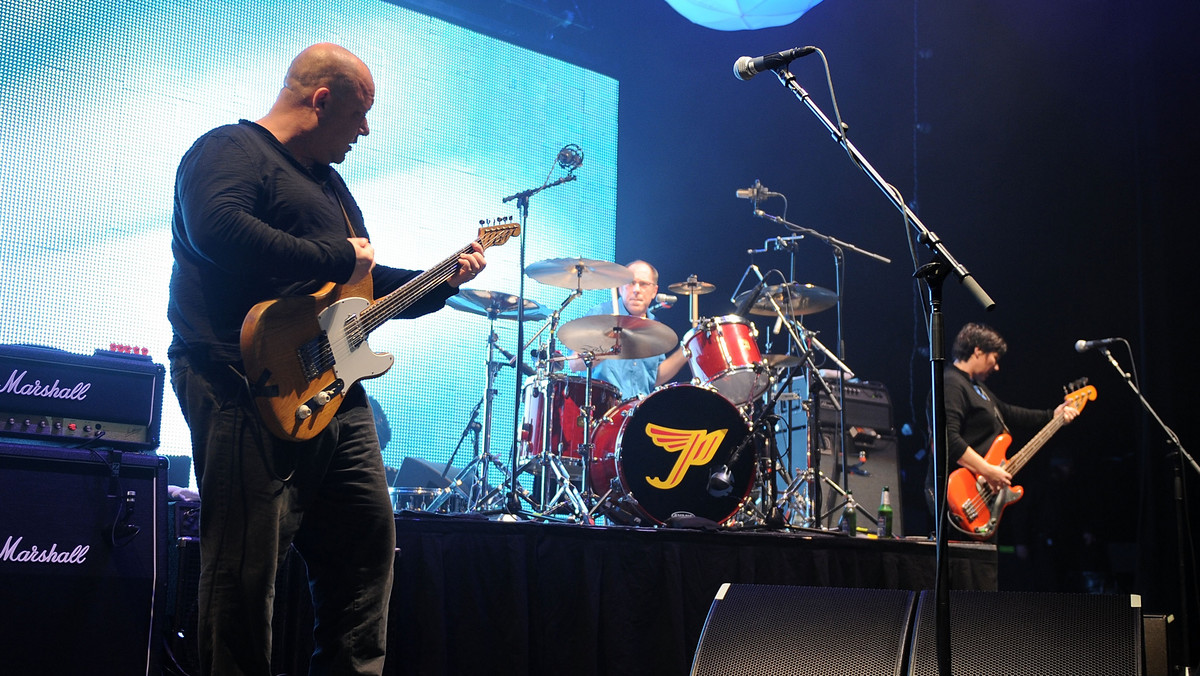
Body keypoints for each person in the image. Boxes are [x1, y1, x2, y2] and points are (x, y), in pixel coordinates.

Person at [167, 43, 486, 675]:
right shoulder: (229, 150)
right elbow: (217, 229)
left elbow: (357, 291)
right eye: (361, 114)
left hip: (336, 391)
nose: (366, 131)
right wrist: (343, 258)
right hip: (241, 381)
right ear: (321, 100)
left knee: (366, 553)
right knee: (244, 569)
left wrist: (443, 279)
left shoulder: (330, 186)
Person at [926, 322, 1078, 524]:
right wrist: (987, 471)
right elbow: (946, 440)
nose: (996, 367)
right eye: (995, 358)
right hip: (958, 496)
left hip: (979, 496)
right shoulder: (951, 383)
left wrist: (1052, 415)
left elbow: (1009, 413)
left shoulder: (976, 387)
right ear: (978, 351)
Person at [567, 260, 688, 399]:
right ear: (620, 288)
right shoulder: (600, 314)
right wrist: (607, 346)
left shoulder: (654, 325)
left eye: (643, 284)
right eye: (631, 282)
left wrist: (686, 349)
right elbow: (574, 364)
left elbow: (654, 377)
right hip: (603, 410)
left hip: (640, 410)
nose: (636, 289)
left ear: (654, 291)